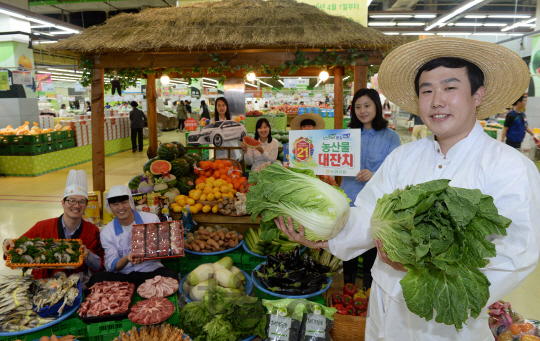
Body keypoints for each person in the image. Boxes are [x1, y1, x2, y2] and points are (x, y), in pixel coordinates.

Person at [275, 38, 540, 340]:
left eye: (450, 88)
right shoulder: (403, 157)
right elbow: (368, 214)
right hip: (384, 305)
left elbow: (516, 255)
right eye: (427, 90)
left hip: (445, 324)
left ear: (477, 94)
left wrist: (422, 271)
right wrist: (324, 233)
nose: (437, 100)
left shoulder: (510, 167)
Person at [340, 89, 401, 288]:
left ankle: (368, 289)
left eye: (367, 105)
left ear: (376, 106)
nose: (362, 111)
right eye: (357, 107)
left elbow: (397, 170)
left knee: (371, 248)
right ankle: (347, 286)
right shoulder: (346, 136)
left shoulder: (391, 137)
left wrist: (375, 175)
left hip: (376, 203)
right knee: (347, 244)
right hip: (348, 198)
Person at [2, 170, 104, 285]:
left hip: (75, 283)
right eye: (71, 200)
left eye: (81, 202)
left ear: (86, 206)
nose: (76, 205)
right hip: (40, 282)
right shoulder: (42, 227)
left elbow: (99, 265)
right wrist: (7, 244)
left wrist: (88, 255)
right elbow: (15, 253)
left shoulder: (92, 231)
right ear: (63, 203)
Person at [89, 186, 178, 288]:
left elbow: (163, 247)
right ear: (109, 207)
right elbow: (112, 265)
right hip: (124, 275)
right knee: (96, 279)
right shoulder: (107, 232)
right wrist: (127, 258)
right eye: (115, 204)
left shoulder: (151, 219)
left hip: (151, 272)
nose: (120, 207)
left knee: (171, 275)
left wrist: (165, 244)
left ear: (131, 202)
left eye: (124, 202)